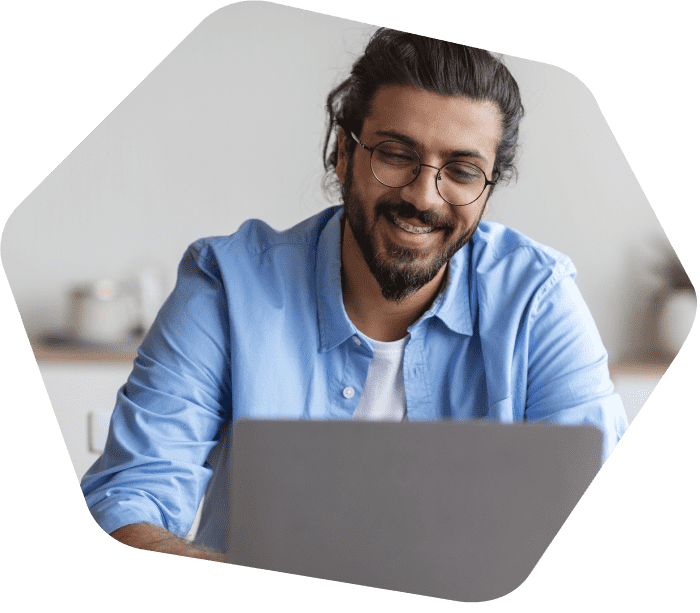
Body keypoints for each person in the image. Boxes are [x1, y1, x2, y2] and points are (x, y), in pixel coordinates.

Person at [81, 28, 628, 562]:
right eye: (395, 154)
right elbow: (127, 501)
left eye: (462, 170)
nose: (423, 196)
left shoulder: (539, 299)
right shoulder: (226, 286)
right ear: (343, 153)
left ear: (487, 188)